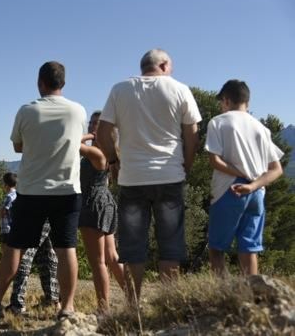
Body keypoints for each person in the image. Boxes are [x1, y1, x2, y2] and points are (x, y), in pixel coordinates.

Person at [0, 61, 86, 321]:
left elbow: (17, 146)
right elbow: (77, 142)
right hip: (67, 190)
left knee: (15, 249)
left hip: (32, 190)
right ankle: (67, 308)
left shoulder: (27, 110)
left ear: (40, 82)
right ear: (64, 84)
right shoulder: (77, 111)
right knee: (66, 248)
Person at [96, 49, 201, 305]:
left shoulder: (120, 89)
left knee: (133, 247)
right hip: (170, 175)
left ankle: (133, 305)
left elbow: (102, 133)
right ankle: (168, 304)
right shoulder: (180, 90)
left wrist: (113, 162)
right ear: (164, 65)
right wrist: (186, 166)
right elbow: (192, 134)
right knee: (170, 245)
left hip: (132, 177)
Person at [204, 79, 283, 276]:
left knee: (216, 249)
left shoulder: (219, 122)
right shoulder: (261, 128)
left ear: (226, 100)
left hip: (228, 189)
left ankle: (226, 298)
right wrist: (253, 183)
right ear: (247, 101)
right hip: (256, 192)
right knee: (249, 249)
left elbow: (214, 161)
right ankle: (252, 297)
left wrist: (241, 174)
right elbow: (276, 169)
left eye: (221, 102)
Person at [79, 110, 125, 311]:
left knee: (98, 262)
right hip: (105, 203)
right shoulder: (109, 154)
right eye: (91, 123)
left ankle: (103, 308)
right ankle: (133, 298)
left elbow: (71, 143)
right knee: (112, 257)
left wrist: (90, 136)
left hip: (93, 205)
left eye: (97, 124)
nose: (91, 126)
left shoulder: (99, 153)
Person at [7, 220, 59, 315]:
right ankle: (52, 300)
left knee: (25, 252)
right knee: (47, 252)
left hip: (37, 210)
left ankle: (17, 304)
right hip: (54, 210)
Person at [0, 172, 17, 255]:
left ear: (6, 184)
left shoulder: (9, 197)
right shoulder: (17, 195)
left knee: (5, 252)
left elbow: (3, 211)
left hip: (7, 228)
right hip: (15, 227)